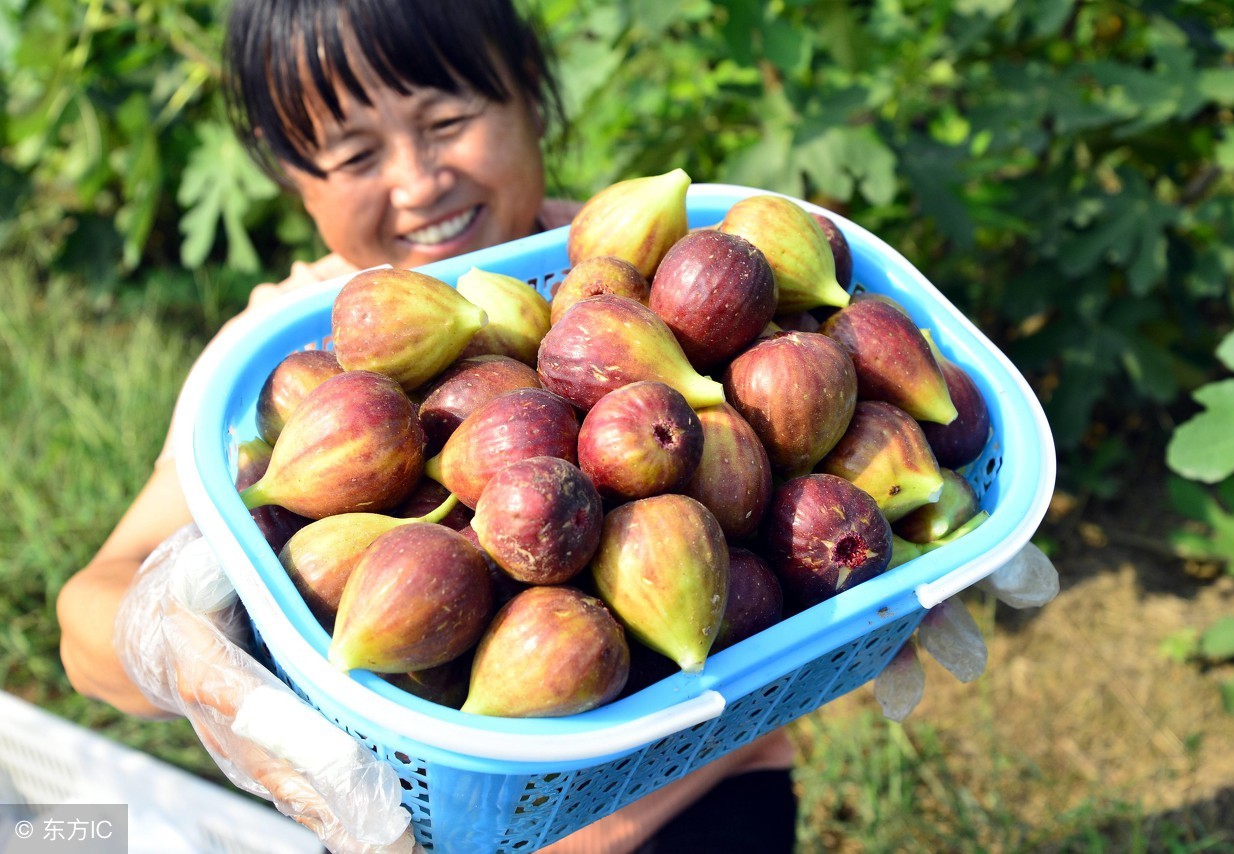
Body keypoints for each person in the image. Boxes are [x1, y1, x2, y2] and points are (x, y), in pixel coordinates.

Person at [56, 1, 798, 851]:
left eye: (446, 120)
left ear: (533, 95)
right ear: (292, 175)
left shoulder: (645, 271)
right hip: (417, 814)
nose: (418, 183)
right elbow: (88, 620)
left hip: (702, 786)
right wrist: (187, 658)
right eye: (357, 153)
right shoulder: (281, 350)